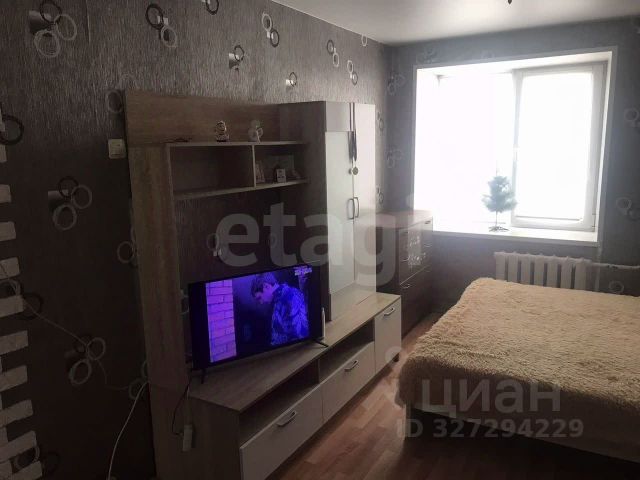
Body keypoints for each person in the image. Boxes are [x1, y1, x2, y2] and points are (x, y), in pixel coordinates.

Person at [251, 273, 309, 346]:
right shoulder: (282, 297)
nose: (261, 302)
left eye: (259, 298)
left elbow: (298, 334)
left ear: (266, 286)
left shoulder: (285, 298)